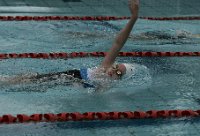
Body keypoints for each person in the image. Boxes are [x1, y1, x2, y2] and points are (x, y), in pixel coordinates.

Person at [1, 0, 140, 90]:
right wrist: (133, 18)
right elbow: (118, 43)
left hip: (66, 83)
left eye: (118, 73)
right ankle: (4, 80)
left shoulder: (105, 85)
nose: (113, 70)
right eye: (116, 67)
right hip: (70, 76)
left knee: (30, 85)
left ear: (119, 80)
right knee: (30, 81)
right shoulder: (104, 68)